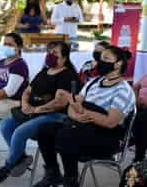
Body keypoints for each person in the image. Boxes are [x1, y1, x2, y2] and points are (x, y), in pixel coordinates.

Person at [33, 46, 135, 187]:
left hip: (106, 138)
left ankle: (71, 180)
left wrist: (83, 112)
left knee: (66, 134)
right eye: (101, 58)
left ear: (118, 64)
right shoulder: (93, 82)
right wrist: (76, 115)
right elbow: (73, 106)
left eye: (106, 59)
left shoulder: (123, 90)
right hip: (82, 128)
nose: (100, 61)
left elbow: (110, 122)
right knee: (45, 129)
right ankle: (53, 174)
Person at [0, 41, 80, 183]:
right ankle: (20, 158)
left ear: (64, 58)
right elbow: (27, 90)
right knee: (6, 125)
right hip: (33, 112)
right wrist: (25, 104)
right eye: (49, 52)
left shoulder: (67, 75)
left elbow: (60, 103)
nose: (50, 55)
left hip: (55, 116)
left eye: (55, 53)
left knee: (20, 132)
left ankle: (8, 166)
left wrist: (37, 109)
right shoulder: (44, 71)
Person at [133, 73, 147, 162]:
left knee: (141, 118)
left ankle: (139, 156)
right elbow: (135, 86)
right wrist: (136, 100)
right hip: (140, 107)